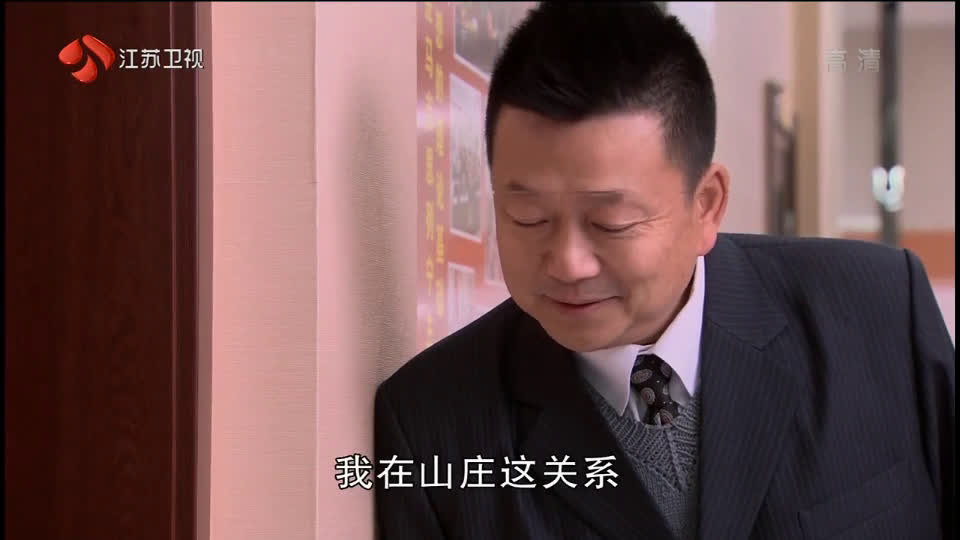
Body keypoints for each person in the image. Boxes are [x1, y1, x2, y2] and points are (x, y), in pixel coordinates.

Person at [374, 3, 955, 539]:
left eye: (611, 223)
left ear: (706, 205)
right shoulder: (432, 424)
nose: (568, 263)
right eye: (528, 217)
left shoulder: (878, 310)